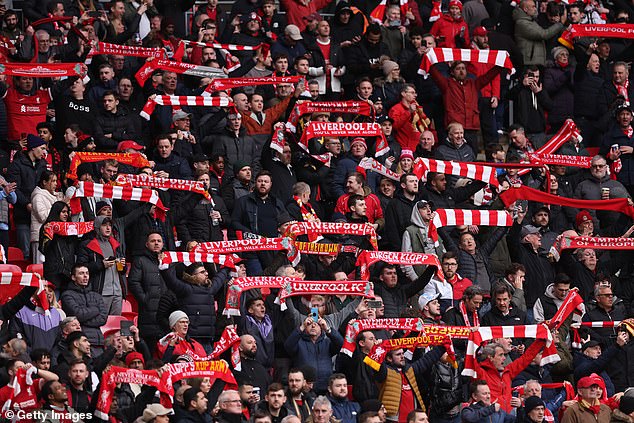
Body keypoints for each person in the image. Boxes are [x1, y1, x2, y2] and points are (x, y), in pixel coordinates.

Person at [60, 265, 108, 358]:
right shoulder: (67, 295)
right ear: (73, 277)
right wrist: (95, 309)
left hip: (98, 342)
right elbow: (78, 315)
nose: (85, 276)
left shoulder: (96, 295)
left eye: (87, 273)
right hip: (79, 342)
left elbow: (103, 318)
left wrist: (84, 319)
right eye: (81, 273)